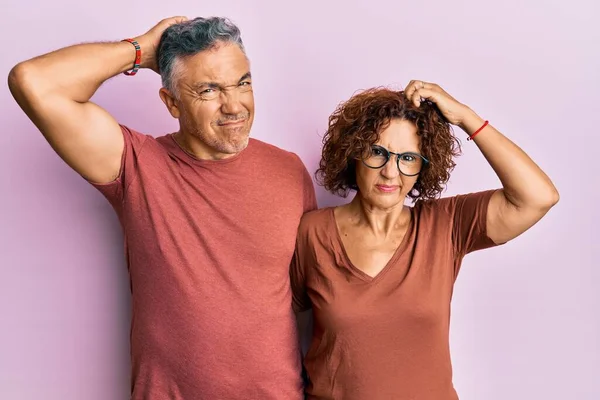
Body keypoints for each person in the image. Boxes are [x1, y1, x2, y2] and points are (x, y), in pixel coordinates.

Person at [8, 16, 316, 399]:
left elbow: (309, 299)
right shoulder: (138, 164)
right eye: (209, 90)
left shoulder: (288, 171)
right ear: (171, 102)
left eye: (243, 82)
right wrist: (140, 49)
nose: (234, 105)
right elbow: (32, 82)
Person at [290, 81, 559, 399]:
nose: (391, 172)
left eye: (408, 158)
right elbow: (294, 332)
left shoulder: (445, 225)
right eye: (378, 152)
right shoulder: (313, 232)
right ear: (354, 153)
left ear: (423, 166)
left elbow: (538, 196)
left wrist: (466, 117)